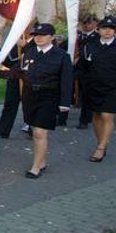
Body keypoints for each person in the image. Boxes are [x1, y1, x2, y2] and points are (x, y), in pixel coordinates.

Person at [12, 23, 73, 178]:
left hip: (49, 97)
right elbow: (21, 72)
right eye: (36, 35)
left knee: (40, 132)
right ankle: (42, 160)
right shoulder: (29, 52)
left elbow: (66, 81)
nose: (38, 38)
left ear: (52, 37)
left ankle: (35, 167)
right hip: (30, 96)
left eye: (43, 35)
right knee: (35, 131)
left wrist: (65, 103)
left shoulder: (61, 56)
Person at [80, 15, 116, 163]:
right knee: (96, 116)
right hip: (93, 86)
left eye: (111, 28)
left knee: (107, 115)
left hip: (112, 87)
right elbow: (83, 67)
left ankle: (101, 148)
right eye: (104, 28)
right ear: (99, 29)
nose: (107, 31)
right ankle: (102, 141)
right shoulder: (90, 45)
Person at [0, 33, 30, 138]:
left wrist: (25, 47)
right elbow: (9, 61)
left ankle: (32, 128)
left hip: (31, 79)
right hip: (15, 77)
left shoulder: (36, 43)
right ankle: (3, 130)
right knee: (10, 104)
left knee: (30, 104)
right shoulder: (14, 44)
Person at [74, 15, 99, 129]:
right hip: (78, 67)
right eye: (84, 23)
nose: (86, 25)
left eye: (89, 23)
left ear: (95, 24)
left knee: (87, 93)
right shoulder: (79, 36)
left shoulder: (97, 37)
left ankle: (85, 119)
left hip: (90, 69)